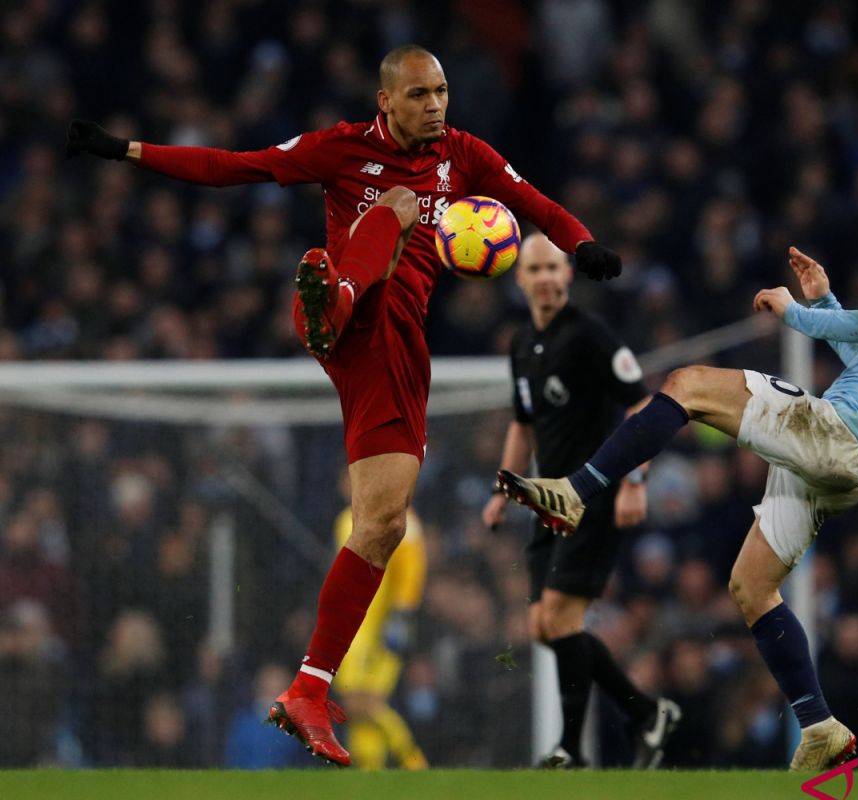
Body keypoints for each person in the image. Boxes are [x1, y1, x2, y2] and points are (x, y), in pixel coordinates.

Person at [66, 45, 622, 767]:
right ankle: (334, 301)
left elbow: (536, 203)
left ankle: (307, 687)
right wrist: (126, 151)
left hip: (394, 351)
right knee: (391, 206)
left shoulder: (464, 156)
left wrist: (582, 244)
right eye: (420, 94)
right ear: (385, 100)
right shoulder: (342, 148)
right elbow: (236, 167)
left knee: (383, 524)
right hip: (351, 317)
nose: (436, 105)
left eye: (443, 91)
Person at [498, 197, 858, 771]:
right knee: (751, 586)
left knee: (688, 384)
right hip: (849, 466)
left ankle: (575, 492)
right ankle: (820, 724)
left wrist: (797, 311)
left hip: (840, 435)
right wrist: (824, 300)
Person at [481, 233, 681, 769]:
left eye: (553, 267)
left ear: (568, 275)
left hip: (594, 493)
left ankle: (572, 748)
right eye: (535, 269)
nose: (545, 277)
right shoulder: (521, 345)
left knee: (559, 620)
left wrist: (636, 482)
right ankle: (646, 713)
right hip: (547, 498)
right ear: (520, 280)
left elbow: (644, 405)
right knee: (544, 628)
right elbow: (525, 424)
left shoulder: (592, 337)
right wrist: (504, 489)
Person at [331, 468, 429, 770]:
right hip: (354, 627)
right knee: (359, 711)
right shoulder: (346, 518)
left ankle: (415, 763)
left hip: (381, 627)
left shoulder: (400, 520)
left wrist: (402, 612)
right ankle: (368, 776)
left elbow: (411, 570)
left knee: (362, 703)